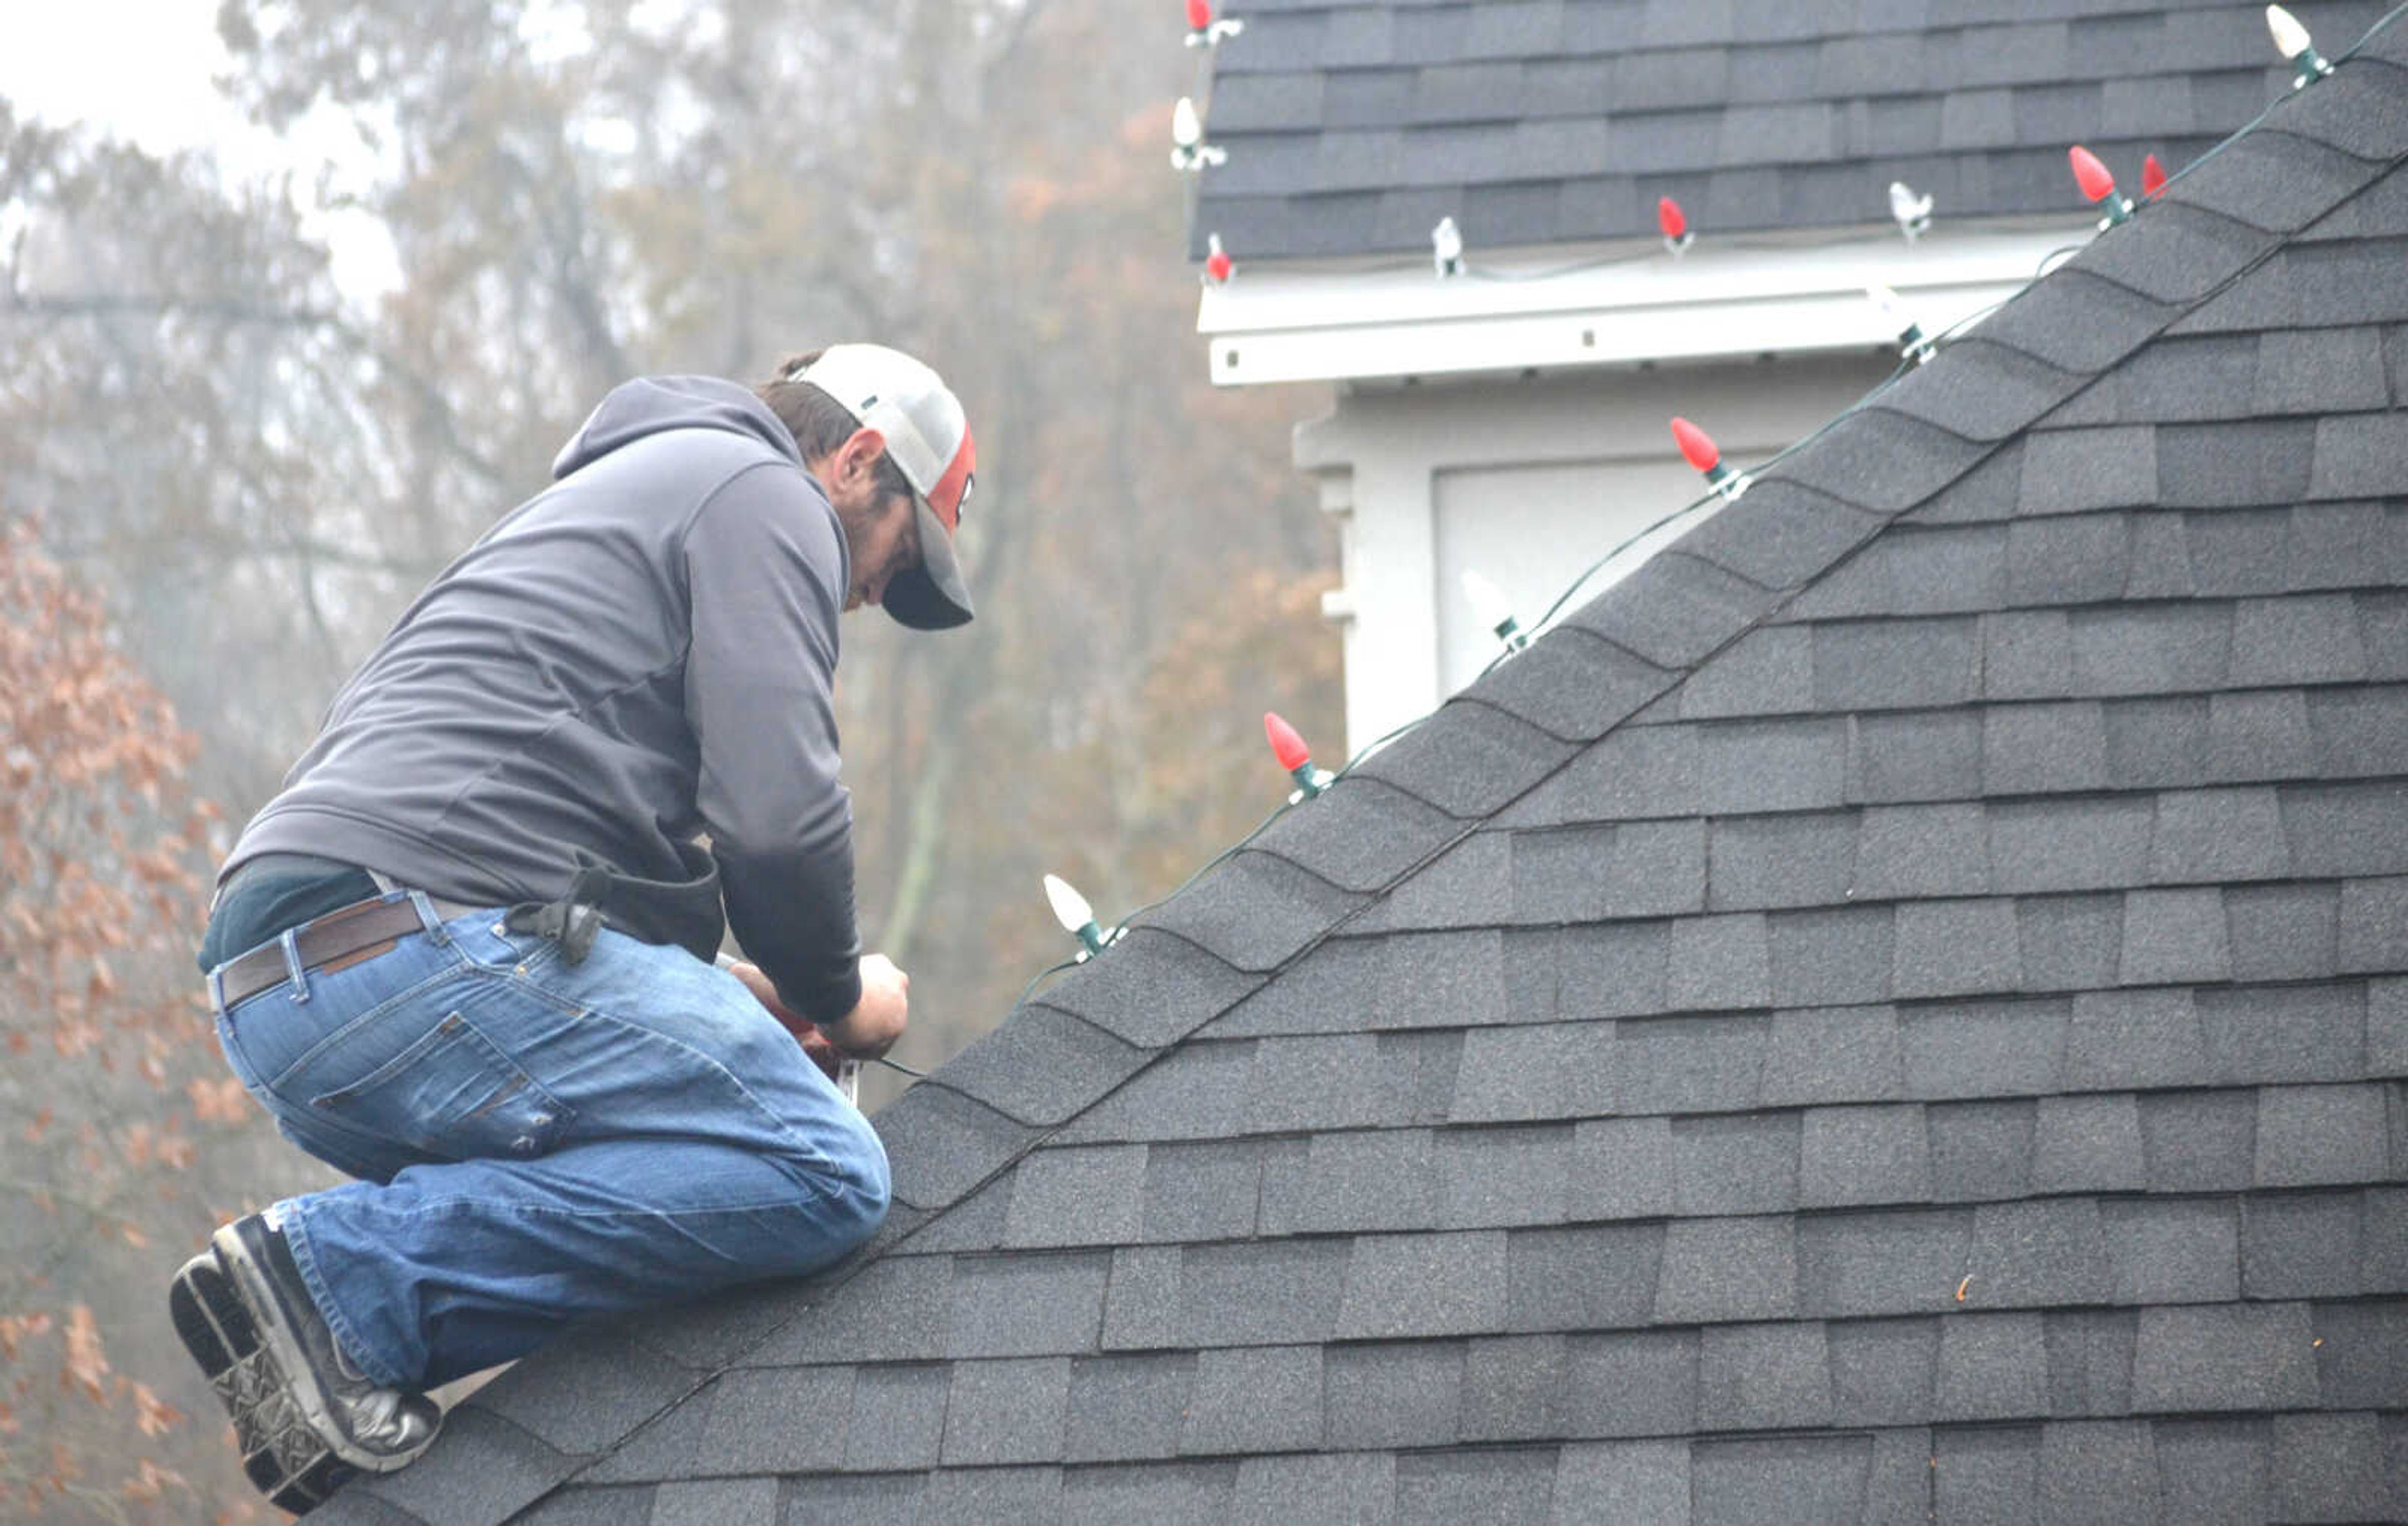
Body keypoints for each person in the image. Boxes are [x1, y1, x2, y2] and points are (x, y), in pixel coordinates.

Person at [168, 344, 976, 1513]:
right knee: (820, 1167)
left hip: (288, 989)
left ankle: (330, 1356)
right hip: (412, 944)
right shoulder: (766, 495)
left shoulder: (616, 499)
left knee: (657, 1173)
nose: (869, 597)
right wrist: (844, 993)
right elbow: (780, 825)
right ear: (857, 459)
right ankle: (340, 1278)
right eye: (892, 559)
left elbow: (555, 845)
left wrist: (738, 992)